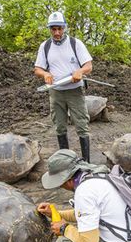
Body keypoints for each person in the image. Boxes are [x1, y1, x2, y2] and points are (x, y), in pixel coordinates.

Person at [34, 11, 93, 162]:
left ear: (65, 27)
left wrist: (80, 71)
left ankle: (86, 162)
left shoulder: (75, 43)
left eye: (60, 28)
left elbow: (88, 65)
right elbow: (38, 69)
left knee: (81, 125)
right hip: (56, 92)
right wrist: (45, 74)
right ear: (49, 29)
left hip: (75, 91)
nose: (57, 32)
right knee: (59, 126)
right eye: (53, 29)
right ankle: (65, 162)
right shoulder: (45, 46)